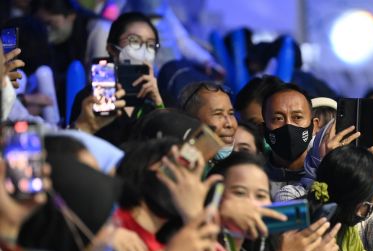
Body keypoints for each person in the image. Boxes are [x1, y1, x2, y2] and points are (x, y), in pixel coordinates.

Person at [71, 11, 164, 145]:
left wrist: (158, 104)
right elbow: (71, 149)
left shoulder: (160, 98)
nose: (144, 50)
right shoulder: (89, 100)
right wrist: (86, 124)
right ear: (112, 49)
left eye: (150, 45)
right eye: (134, 41)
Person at [35, 0, 111, 115]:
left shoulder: (100, 31)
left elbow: (103, 90)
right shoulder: (64, 41)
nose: (47, 30)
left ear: (70, 16)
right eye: (43, 24)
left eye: (50, 23)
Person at [261, 83, 319, 196]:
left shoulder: (326, 174)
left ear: (314, 126)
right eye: (278, 118)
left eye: (297, 117)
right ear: (263, 129)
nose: (288, 125)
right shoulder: (253, 176)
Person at [178, 81, 237, 160]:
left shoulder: (243, 165)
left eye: (231, 113)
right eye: (218, 114)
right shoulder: (180, 166)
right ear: (192, 120)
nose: (229, 124)